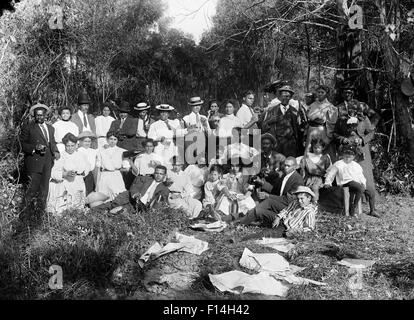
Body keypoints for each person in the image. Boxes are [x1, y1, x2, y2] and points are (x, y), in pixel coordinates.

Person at [234, 157, 304, 226]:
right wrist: (261, 182)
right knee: (263, 205)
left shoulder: (297, 180)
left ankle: (240, 222)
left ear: (294, 167)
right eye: (285, 165)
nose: (285, 167)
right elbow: (275, 190)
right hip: (280, 203)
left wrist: (268, 196)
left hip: (288, 208)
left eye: (288, 166)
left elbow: (288, 200)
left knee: (265, 204)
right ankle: (243, 218)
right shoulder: (285, 175)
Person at [20, 103, 60, 210]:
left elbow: (52, 143)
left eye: (42, 115)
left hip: (47, 162)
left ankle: (40, 216)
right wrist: (34, 147)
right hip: (34, 162)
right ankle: (24, 215)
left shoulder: (51, 128)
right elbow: (22, 144)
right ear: (34, 115)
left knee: (44, 190)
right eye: (37, 115)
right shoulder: (28, 128)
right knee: (31, 189)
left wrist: (56, 151)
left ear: (46, 115)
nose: (39, 117)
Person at [324, 146, 379, 217]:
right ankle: (353, 208)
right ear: (343, 155)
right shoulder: (339, 164)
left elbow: (361, 176)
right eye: (346, 156)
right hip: (346, 182)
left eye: (350, 157)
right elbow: (331, 174)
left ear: (353, 157)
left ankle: (372, 210)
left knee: (371, 191)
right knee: (360, 188)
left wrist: (363, 183)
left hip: (357, 183)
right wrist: (327, 183)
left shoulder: (356, 165)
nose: (347, 158)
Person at [92, 165, 170, 214]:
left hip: (141, 205)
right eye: (156, 173)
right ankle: (91, 212)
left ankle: (105, 216)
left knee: (121, 211)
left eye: (161, 174)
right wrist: (136, 194)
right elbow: (135, 187)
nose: (158, 176)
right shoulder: (146, 179)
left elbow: (160, 201)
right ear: (154, 173)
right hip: (131, 197)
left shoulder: (164, 188)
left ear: (164, 175)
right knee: (113, 204)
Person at [46, 133, 90, 215]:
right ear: (64, 145)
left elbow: (87, 166)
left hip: (79, 183)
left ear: (76, 145)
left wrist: (83, 173)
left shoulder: (81, 155)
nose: (70, 148)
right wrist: (65, 174)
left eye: (72, 145)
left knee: (78, 207)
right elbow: (53, 172)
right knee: (67, 208)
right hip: (66, 184)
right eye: (68, 146)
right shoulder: (61, 156)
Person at [259, 86, 304, 157]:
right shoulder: (272, 110)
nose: (285, 98)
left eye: (287, 96)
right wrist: (270, 121)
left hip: (291, 144)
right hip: (277, 143)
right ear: (279, 97)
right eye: (283, 96)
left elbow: (299, 129)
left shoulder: (294, 111)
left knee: (290, 164)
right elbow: (263, 127)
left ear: (290, 97)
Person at [147, 104, 187, 170]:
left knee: (171, 164)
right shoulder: (154, 125)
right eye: (162, 112)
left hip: (172, 147)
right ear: (159, 113)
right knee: (160, 165)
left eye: (166, 112)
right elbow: (150, 137)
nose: (164, 114)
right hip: (160, 146)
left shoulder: (174, 122)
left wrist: (188, 130)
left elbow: (179, 133)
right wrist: (159, 138)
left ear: (168, 114)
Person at [96, 131, 128, 201]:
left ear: (117, 140)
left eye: (115, 139)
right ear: (107, 139)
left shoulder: (122, 151)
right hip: (104, 175)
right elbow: (98, 165)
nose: (112, 141)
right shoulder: (101, 151)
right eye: (111, 139)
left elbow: (126, 167)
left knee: (117, 193)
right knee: (103, 194)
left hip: (116, 175)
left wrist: (117, 170)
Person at [305, 85, 337, 154]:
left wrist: (329, 136)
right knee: (309, 150)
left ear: (326, 94)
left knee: (321, 150)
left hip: (322, 130)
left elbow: (332, 123)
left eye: (322, 92)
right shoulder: (312, 105)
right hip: (311, 130)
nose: (320, 94)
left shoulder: (330, 106)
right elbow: (308, 117)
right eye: (318, 92)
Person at [77, 131, 98, 196]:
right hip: (81, 174)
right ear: (81, 142)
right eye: (85, 141)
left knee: (90, 189)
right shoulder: (78, 151)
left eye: (89, 141)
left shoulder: (93, 151)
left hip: (90, 173)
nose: (87, 143)